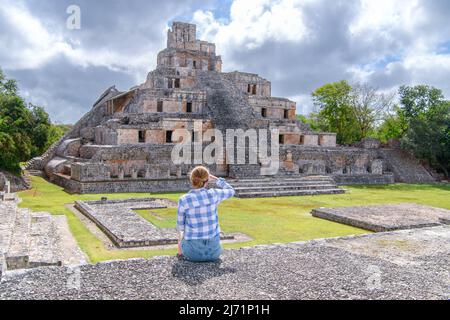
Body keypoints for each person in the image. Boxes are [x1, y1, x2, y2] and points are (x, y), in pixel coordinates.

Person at [176, 166, 235, 262]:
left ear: (191, 180)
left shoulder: (184, 199)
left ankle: (179, 254)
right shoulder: (213, 194)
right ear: (207, 180)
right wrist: (216, 179)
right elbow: (231, 191)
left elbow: (180, 227)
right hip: (214, 253)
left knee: (180, 235)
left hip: (192, 255)